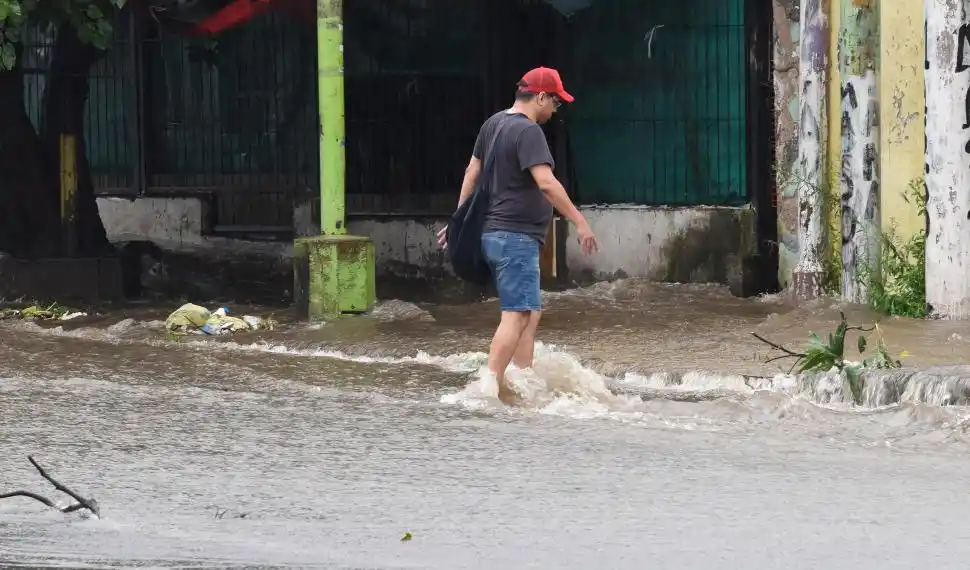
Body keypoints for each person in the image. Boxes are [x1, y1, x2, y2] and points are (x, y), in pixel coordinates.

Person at [437, 66, 599, 402]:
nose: (556, 109)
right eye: (555, 101)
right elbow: (546, 182)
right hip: (515, 238)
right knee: (517, 314)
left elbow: (472, 172)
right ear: (540, 96)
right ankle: (489, 385)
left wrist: (458, 221)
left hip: (493, 235)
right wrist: (579, 221)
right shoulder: (528, 132)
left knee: (529, 310)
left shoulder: (493, 123)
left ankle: (524, 377)